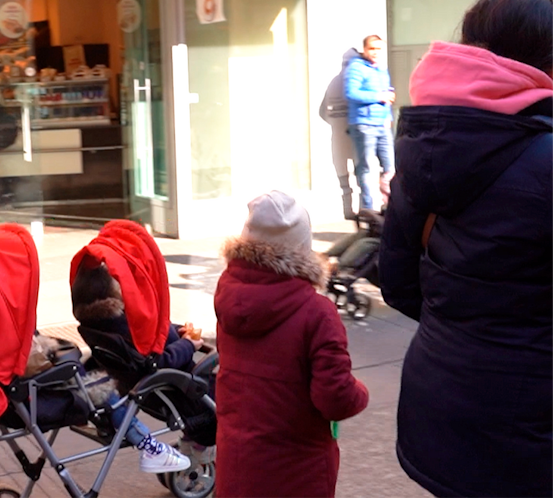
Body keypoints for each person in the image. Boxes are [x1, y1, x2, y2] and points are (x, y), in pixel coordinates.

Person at [379, 1, 553, 495]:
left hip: (439, 403)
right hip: (527, 436)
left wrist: (463, 319)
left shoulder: (427, 138)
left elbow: (397, 283)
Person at [214, 191, 369, 498]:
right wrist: (360, 392)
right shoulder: (317, 312)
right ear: (302, 249)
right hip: (296, 473)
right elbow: (336, 398)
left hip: (237, 464)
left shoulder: (228, 295)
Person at [70, 261, 205, 473]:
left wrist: (177, 333)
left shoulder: (98, 324)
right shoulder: (125, 326)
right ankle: (197, 445)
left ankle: (190, 442)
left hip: (142, 389)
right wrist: (188, 344)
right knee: (217, 393)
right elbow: (158, 362)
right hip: (174, 389)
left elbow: (154, 337)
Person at [344, 35, 394, 211]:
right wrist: (378, 97)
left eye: (379, 49)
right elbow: (351, 93)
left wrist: (388, 117)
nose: (375, 52)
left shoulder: (381, 69)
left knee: (390, 169)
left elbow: (387, 93)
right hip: (364, 125)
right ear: (364, 50)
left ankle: (389, 208)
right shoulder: (356, 68)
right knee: (366, 168)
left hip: (382, 125)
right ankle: (368, 210)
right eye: (372, 48)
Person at [320, 48, 361, 220]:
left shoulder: (333, 83)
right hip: (355, 136)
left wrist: (335, 123)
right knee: (361, 175)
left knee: (343, 178)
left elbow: (321, 111)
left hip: (337, 137)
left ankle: (348, 211)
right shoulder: (355, 82)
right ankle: (363, 210)